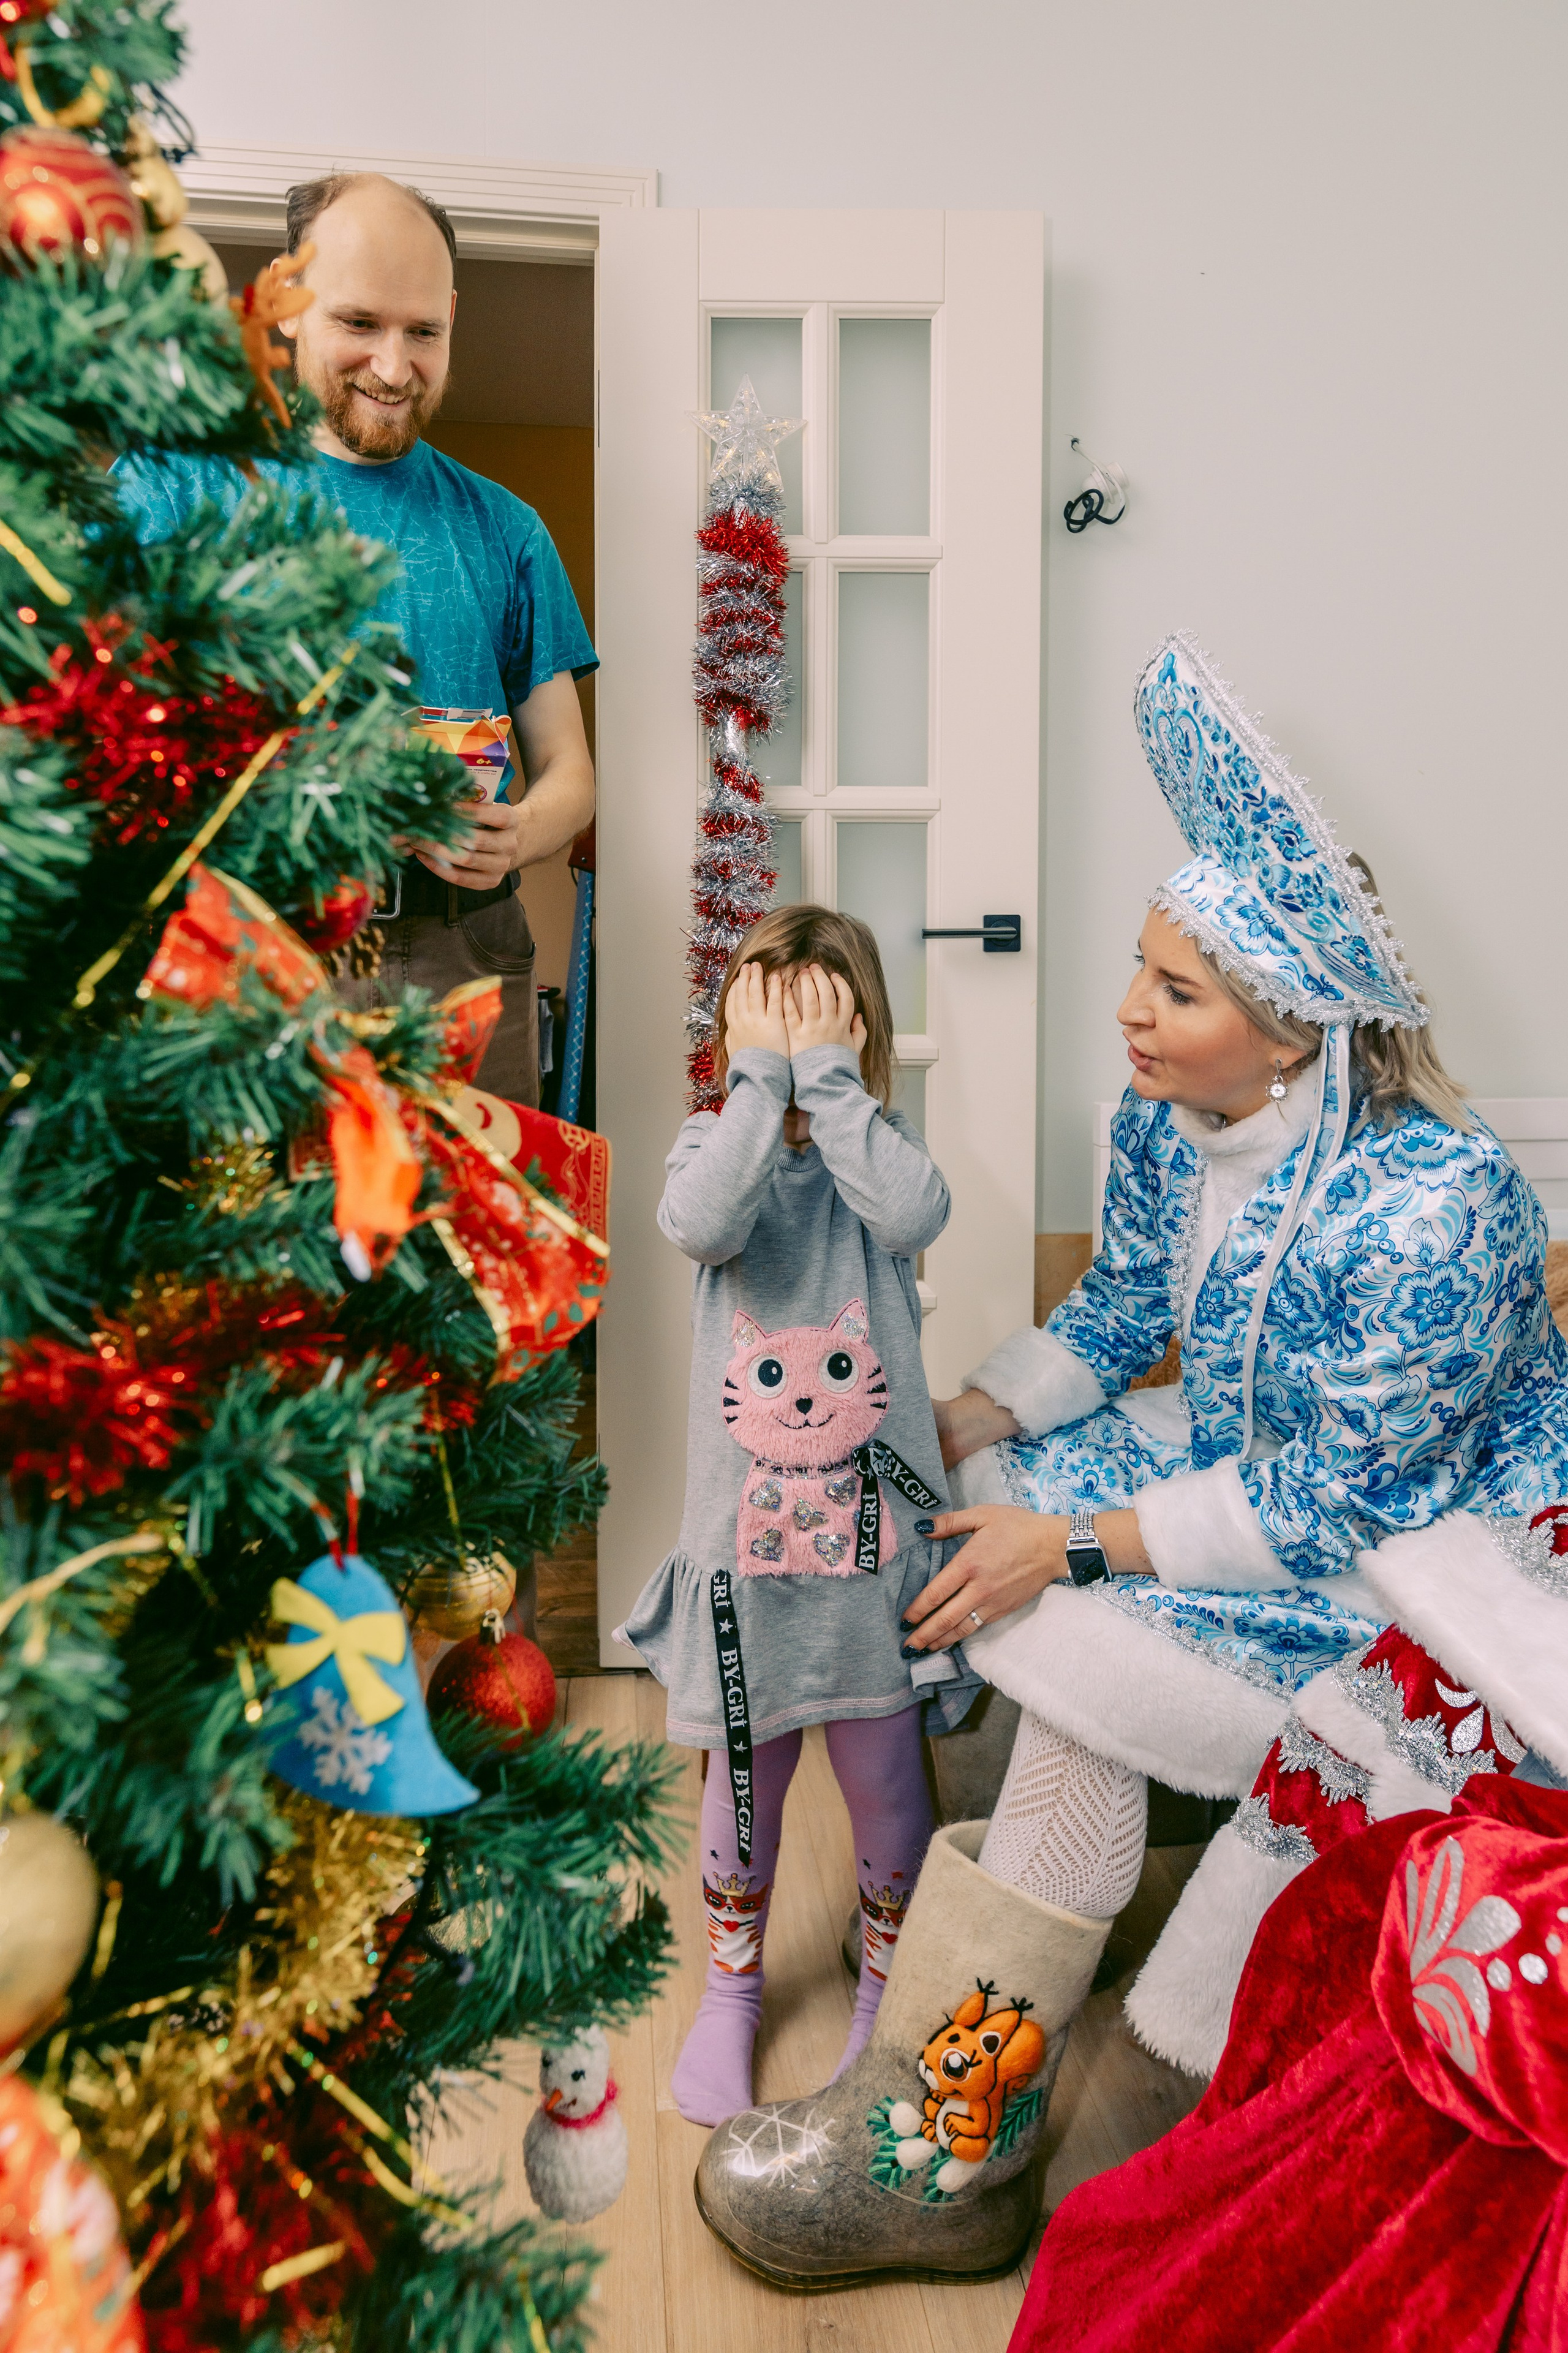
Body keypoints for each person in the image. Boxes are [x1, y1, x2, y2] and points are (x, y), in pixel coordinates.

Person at [692, 631, 1568, 2291]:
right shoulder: (1168, 1121)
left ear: (1293, 1028)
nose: (1129, 1011)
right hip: (1264, 1474)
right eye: (1142, 972)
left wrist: (1079, 1546)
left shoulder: (1438, 1201)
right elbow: (1113, 1313)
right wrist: (976, 1415)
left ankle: (954, 2141)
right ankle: (975, 2044)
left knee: (1072, 1638)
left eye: (1176, 990)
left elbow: (1343, 1507)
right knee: (977, 1520)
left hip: (1414, 1548)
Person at [112, 172, 597, 1106]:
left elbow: (570, 771)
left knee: (469, 1248)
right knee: (252, 1250)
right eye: (360, 323)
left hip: (468, 953)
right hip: (250, 947)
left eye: (424, 331)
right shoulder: (173, 489)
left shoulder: (507, 530)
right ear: (287, 300)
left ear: (454, 315)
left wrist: (522, 832)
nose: (391, 365)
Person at [614, 905, 978, 2127]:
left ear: (856, 1037)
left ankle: (883, 1982)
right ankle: (732, 1990)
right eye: (759, 1018)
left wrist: (826, 1084)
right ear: (730, 1032)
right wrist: (756, 1088)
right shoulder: (709, 1154)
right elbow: (698, 1224)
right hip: (744, 1563)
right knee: (744, 1778)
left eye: (814, 1023)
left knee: (884, 1774)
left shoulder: (876, 1155)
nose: (785, 1050)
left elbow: (916, 1216)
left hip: (873, 1559)